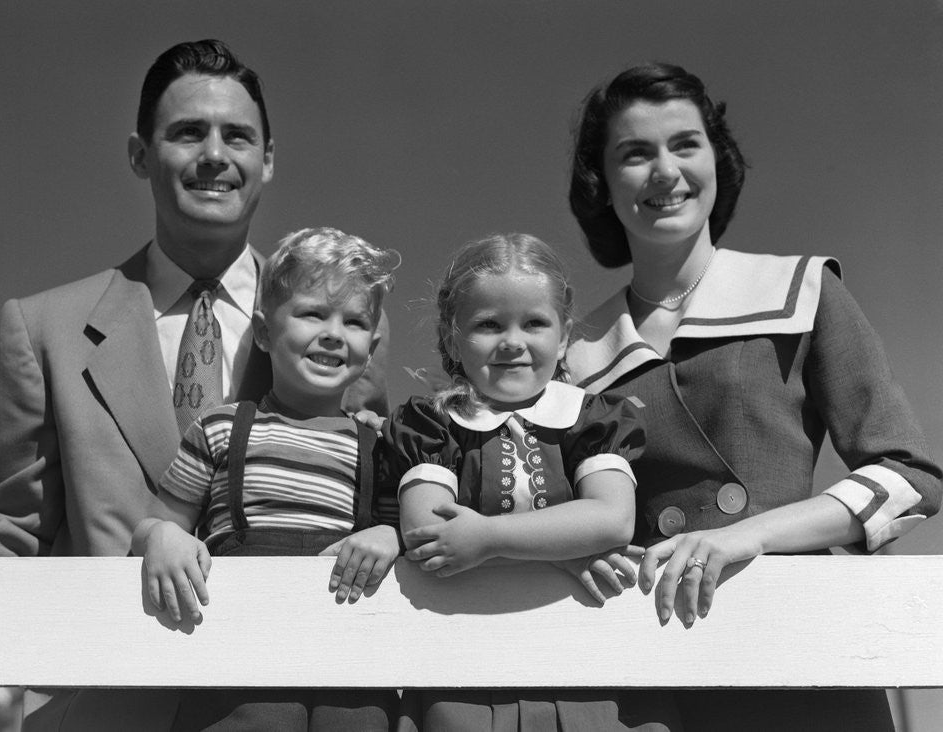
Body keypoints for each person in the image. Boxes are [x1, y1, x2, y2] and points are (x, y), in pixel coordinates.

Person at [0, 40, 388, 730]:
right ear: (141, 155)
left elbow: (370, 504)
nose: (214, 155)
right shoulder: (43, 327)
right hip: (111, 708)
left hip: (286, 699)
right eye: (187, 132)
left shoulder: (341, 335)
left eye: (237, 136)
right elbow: (10, 527)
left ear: (268, 159)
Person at [564, 62, 942, 731]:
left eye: (685, 144)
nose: (664, 171)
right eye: (634, 153)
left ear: (717, 160)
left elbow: (909, 478)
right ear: (603, 183)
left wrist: (750, 536)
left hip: (801, 653)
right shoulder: (573, 355)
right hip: (648, 670)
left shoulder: (803, 291)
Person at [387, 233, 676, 731]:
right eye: (488, 324)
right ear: (452, 338)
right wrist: (564, 547)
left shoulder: (592, 418)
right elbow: (429, 533)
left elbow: (611, 519)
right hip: (462, 672)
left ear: (564, 336)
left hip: (584, 671)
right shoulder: (432, 424)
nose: (513, 341)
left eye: (535, 323)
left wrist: (490, 537)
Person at [135, 227, 401, 730]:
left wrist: (390, 535)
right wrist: (164, 536)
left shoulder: (382, 446)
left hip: (352, 672)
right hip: (235, 667)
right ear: (262, 331)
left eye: (354, 321)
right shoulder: (220, 427)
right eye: (312, 313)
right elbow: (153, 527)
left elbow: (407, 540)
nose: (333, 332)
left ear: (372, 346)